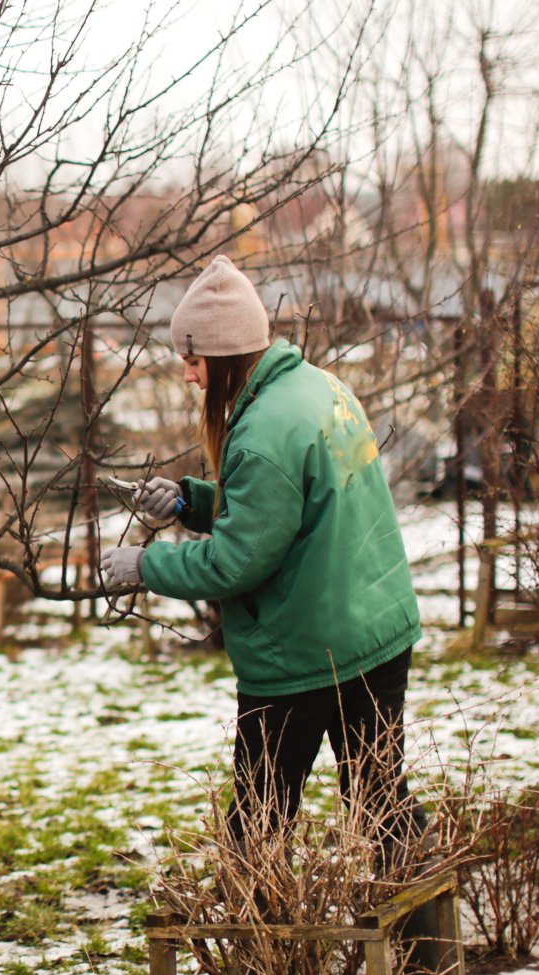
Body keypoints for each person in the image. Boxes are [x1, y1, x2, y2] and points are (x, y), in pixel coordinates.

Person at [97, 256, 425, 863]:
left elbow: (235, 564)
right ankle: (427, 949)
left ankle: (257, 952)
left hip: (305, 650)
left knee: (258, 822)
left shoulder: (262, 431)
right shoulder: (319, 387)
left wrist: (145, 567)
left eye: (193, 362)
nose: (190, 378)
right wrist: (192, 503)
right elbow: (290, 509)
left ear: (222, 356)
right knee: (384, 806)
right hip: (373, 630)